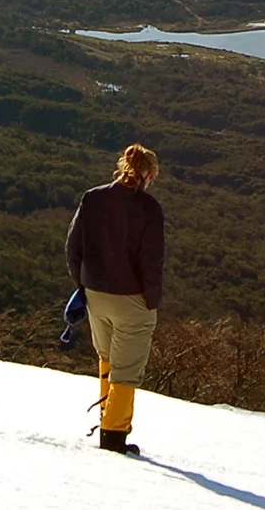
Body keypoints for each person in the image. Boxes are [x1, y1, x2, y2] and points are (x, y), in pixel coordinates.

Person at [64, 143, 164, 456]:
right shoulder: (149, 208)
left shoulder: (92, 198)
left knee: (107, 359)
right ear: (148, 174)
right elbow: (151, 262)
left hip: (95, 293)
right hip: (131, 299)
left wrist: (82, 284)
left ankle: (107, 425)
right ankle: (113, 438)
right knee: (127, 369)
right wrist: (151, 300)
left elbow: (72, 247)